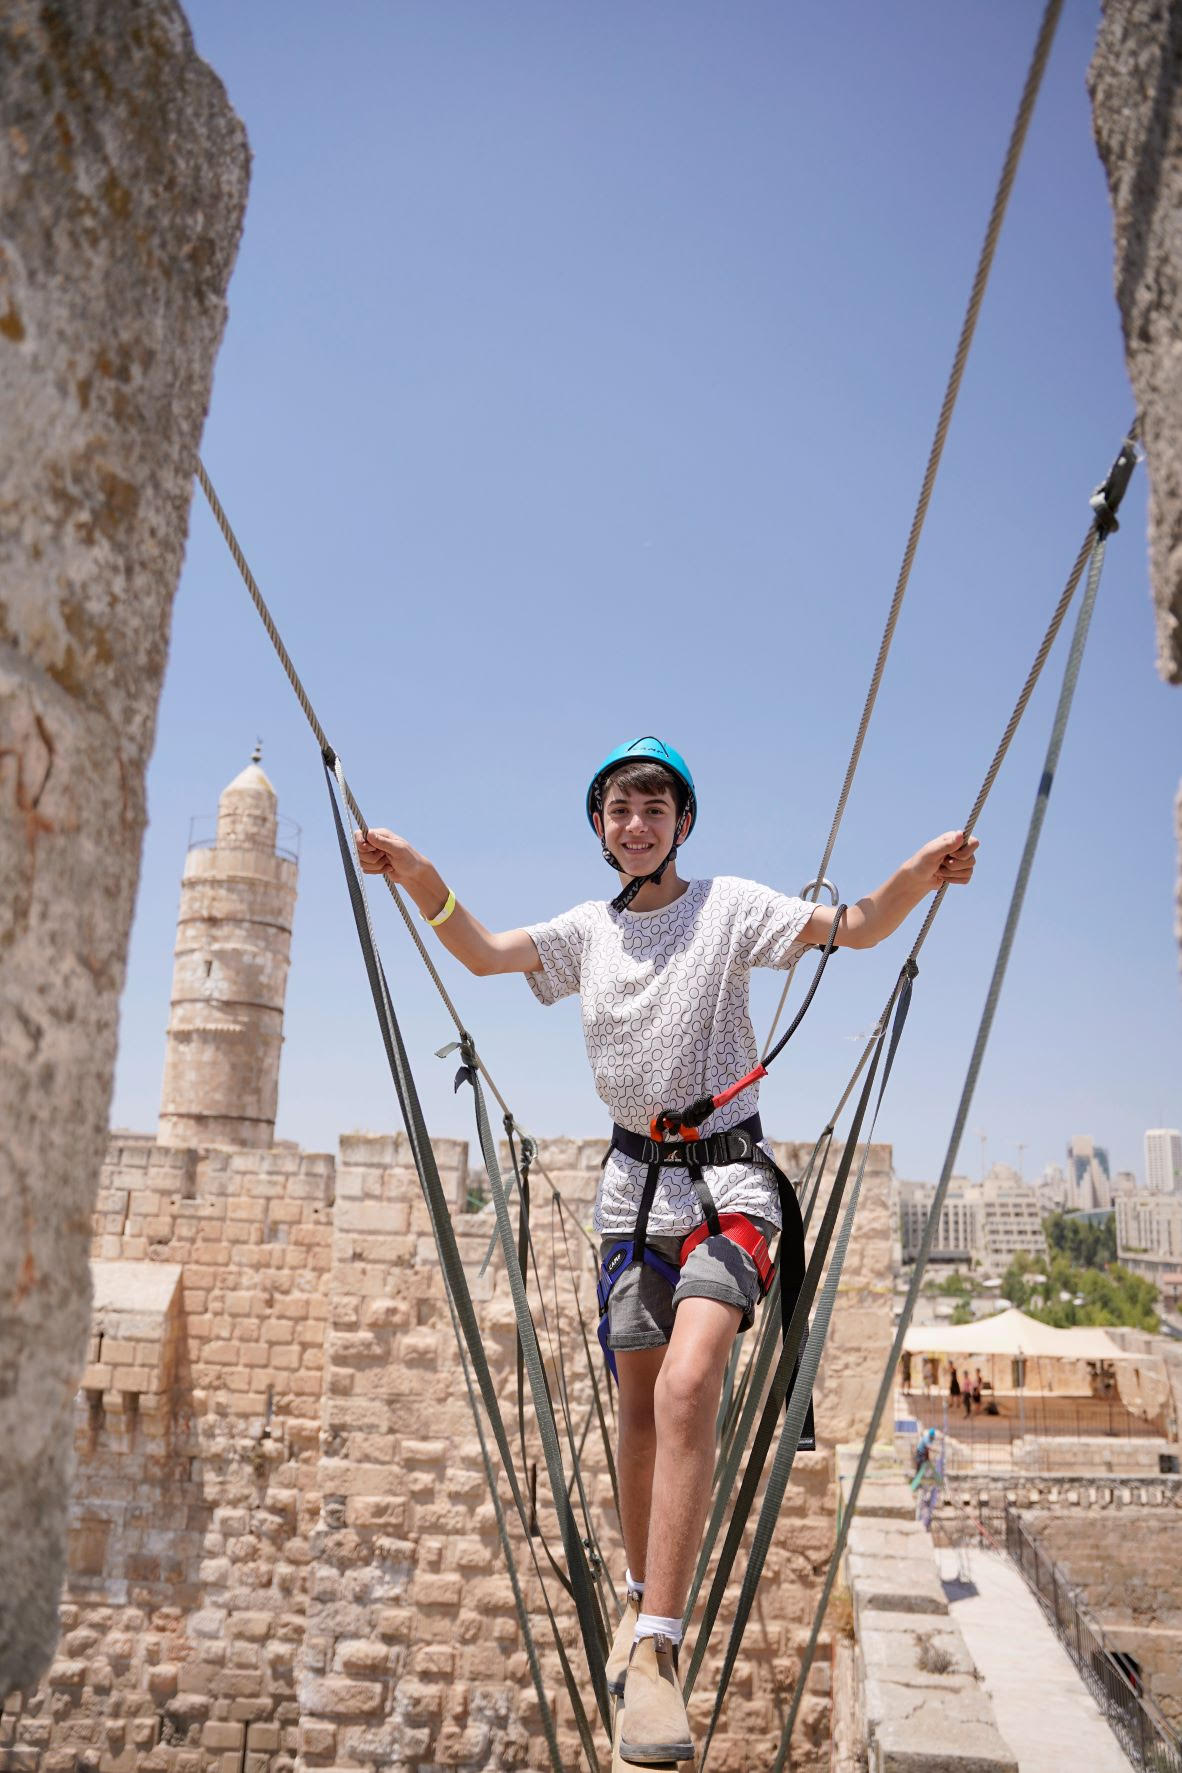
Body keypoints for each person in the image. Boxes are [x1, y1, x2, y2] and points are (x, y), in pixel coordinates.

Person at [356, 735, 978, 1766]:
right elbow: (481, 951)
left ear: (682, 823)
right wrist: (418, 875)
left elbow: (853, 929)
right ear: (600, 829)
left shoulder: (727, 909)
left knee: (691, 1388)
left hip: (728, 1185)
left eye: (654, 808)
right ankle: (643, 1589)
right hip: (627, 1194)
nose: (636, 823)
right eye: (619, 810)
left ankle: (655, 1649)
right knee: (638, 1411)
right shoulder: (585, 935)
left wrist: (916, 875)